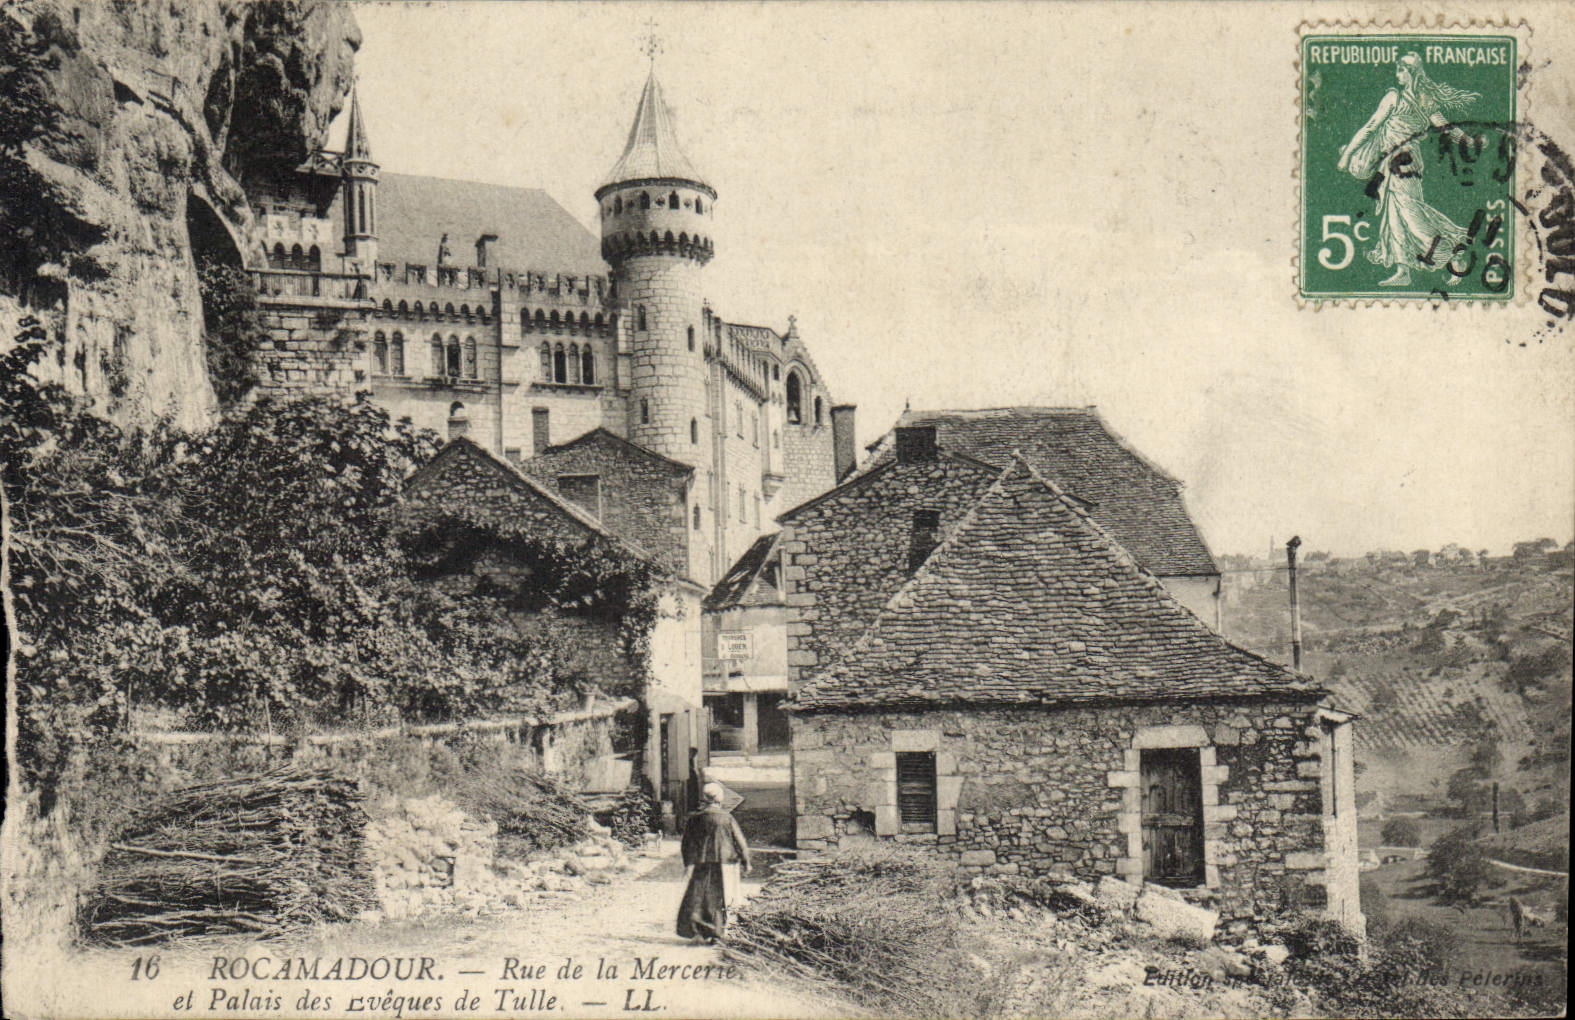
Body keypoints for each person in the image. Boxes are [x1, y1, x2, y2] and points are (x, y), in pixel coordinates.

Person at [1336, 52, 1481, 286]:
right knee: (1394, 218)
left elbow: (1446, 128)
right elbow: (1371, 127)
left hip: (1406, 165)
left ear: (1412, 72)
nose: (1397, 74)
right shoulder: (1395, 97)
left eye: (1401, 70)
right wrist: (1349, 154)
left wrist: (1467, 140)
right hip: (1391, 166)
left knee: (1413, 218)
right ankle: (1403, 271)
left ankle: (1454, 256)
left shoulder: (1422, 100)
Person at [676, 782, 751, 944]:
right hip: (726, 863)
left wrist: (688, 863)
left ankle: (699, 932)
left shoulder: (695, 819)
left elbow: (686, 843)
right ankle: (717, 932)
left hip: (701, 863)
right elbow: (740, 842)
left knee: (698, 897)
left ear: (705, 798)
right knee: (721, 897)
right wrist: (746, 861)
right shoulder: (727, 818)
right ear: (719, 798)